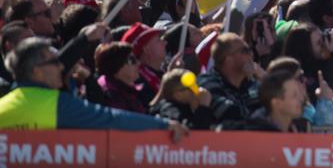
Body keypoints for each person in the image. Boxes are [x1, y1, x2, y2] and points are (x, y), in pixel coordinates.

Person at [0, 37, 186, 137]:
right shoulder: (56, 103)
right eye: (54, 62)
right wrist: (163, 125)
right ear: (36, 71)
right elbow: (109, 119)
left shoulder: (3, 104)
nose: (62, 67)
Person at [150, 68, 216, 130]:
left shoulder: (187, 106)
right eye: (191, 88)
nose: (197, 90)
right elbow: (189, 133)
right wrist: (203, 107)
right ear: (178, 95)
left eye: (196, 85)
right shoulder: (169, 110)